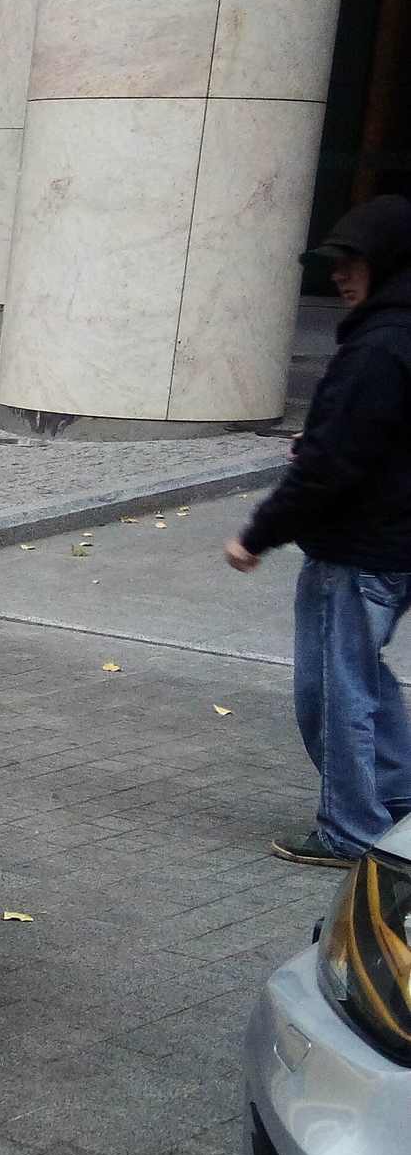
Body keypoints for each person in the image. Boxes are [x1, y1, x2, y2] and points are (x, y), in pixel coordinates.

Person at [227, 193, 411, 866]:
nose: (339, 273)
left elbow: (334, 462)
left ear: (388, 258)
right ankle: (397, 802)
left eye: (353, 259)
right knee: (365, 681)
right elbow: (375, 437)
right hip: (391, 543)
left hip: (357, 549)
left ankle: (351, 828)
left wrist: (258, 532)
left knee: (334, 692)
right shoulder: (397, 332)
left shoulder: (380, 344)